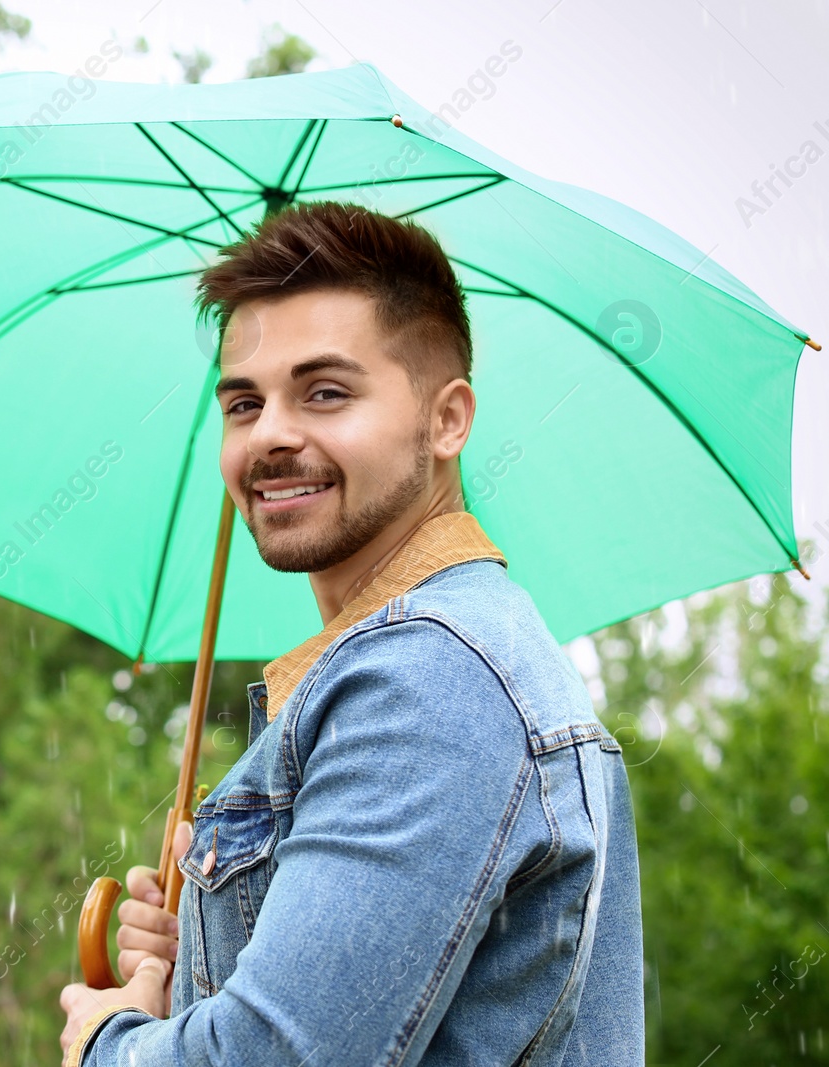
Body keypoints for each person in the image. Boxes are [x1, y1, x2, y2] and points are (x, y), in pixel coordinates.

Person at [58, 201, 645, 1065]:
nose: (272, 436)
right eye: (244, 403)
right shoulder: (426, 657)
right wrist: (191, 962)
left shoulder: (428, 678)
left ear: (447, 420)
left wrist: (106, 1037)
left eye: (325, 392)